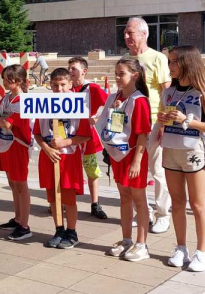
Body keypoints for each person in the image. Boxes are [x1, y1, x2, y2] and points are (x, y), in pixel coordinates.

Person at [159, 45, 205, 272]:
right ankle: (181, 247)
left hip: (195, 152)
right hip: (171, 151)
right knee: (176, 203)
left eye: (174, 61)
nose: (171, 66)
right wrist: (163, 119)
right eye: (169, 61)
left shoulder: (203, 92)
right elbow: (165, 121)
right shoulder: (168, 91)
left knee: (197, 204)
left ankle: (202, 252)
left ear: (188, 63)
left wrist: (188, 120)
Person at [100, 58, 152, 262]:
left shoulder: (139, 100)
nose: (117, 77)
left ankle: (142, 244)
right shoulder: (116, 98)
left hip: (133, 156)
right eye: (116, 73)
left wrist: (137, 161)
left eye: (121, 73)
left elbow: (142, 134)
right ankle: (127, 239)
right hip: (118, 155)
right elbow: (114, 126)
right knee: (124, 198)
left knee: (139, 200)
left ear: (135, 75)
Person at [124, 16, 172, 234]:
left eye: (130, 32)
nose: (126, 36)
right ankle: (142, 210)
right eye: (125, 32)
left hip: (153, 122)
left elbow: (166, 91)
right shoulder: (126, 59)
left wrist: (164, 122)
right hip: (130, 125)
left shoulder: (157, 58)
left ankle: (163, 214)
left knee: (157, 170)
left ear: (144, 34)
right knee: (135, 169)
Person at [36, 68, 92, 250]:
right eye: (55, 85)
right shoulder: (43, 104)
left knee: (68, 197)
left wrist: (65, 141)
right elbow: (37, 133)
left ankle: (71, 231)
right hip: (49, 156)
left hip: (68, 157)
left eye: (62, 85)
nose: (59, 89)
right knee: (53, 198)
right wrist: (46, 148)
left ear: (70, 84)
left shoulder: (78, 104)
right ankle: (58, 229)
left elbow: (85, 135)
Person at [0, 64, 33, 241]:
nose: (4, 82)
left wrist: (2, 120)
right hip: (6, 142)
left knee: (20, 184)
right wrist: (1, 120)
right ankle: (18, 218)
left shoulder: (23, 99)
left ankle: (24, 225)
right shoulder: (7, 98)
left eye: (7, 79)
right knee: (12, 183)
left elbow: (9, 123)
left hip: (18, 145)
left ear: (17, 81)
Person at [68, 57, 109, 220]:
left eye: (74, 69)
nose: (70, 71)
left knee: (92, 170)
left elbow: (108, 106)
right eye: (69, 68)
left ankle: (95, 203)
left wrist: (98, 118)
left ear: (84, 71)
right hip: (69, 137)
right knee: (69, 169)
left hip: (88, 138)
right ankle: (67, 201)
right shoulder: (66, 89)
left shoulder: (92, 88)